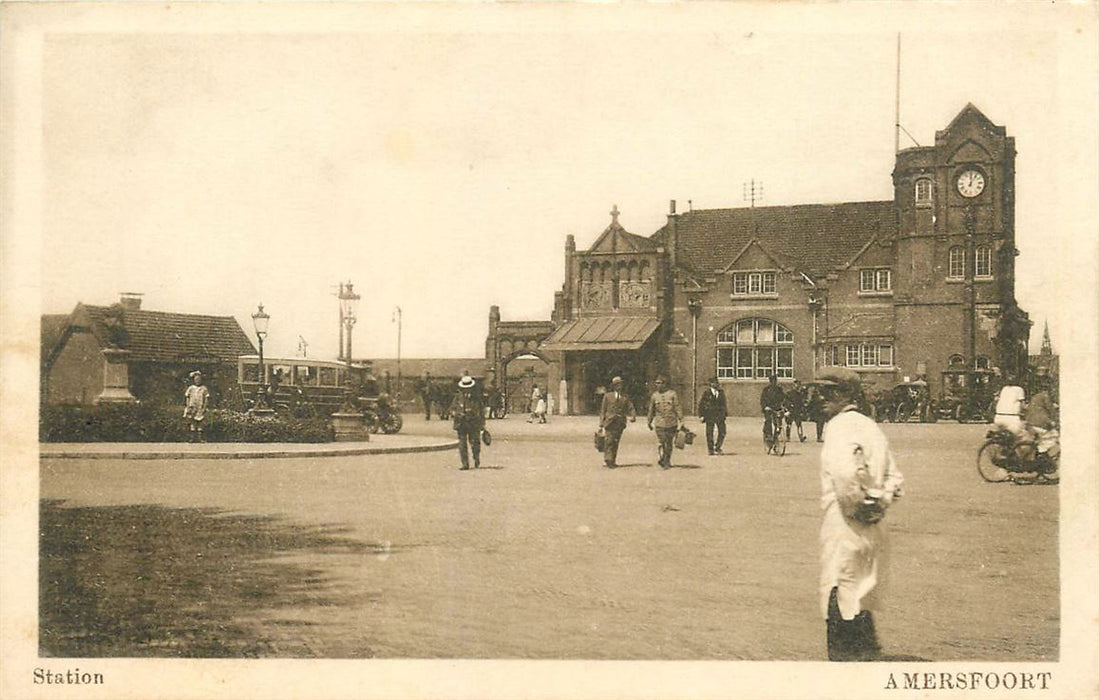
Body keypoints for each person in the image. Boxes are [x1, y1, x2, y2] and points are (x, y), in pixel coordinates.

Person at [815, 367, 905, 661]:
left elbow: (844, 476)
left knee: (839, 593)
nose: (819, 398)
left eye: (827, 392)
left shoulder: (839, 426)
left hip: (845, 523)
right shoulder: (870, 427)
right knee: (862, 595)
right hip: (874, 528)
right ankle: (867, 660)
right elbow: (895, 476)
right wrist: (878, 503)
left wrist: (858, 507)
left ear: (845, 395)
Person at [599, 376, 636, 468]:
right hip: (609, 421)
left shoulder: (625, 397)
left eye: (621, 384)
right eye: (617, 384)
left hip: (620, 422)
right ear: (614, 386)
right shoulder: (607, 396)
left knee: (615, 441)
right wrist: (601, 424)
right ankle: (608, 459)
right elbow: (603, 410)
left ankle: (613, 459)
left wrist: (633, 416)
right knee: (609, 441)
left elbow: (631, 407)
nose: (620, 386)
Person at [647, 376, 683, 469]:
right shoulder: (654, 396)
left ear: (664, 384)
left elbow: (677, 407)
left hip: (671, 422)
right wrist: (649, 421)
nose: (658, 385)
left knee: (669, 443)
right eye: (656, 383)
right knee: (662, 441)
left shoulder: (672, 394)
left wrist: (681, 420)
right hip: (659, 423)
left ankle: (666, 460)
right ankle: (663, 458)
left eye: (660, 383)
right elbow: (651, 410)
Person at [450, 375, 484, 470]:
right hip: (461, 423)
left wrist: (482, 424)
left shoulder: (476, 398)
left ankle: (476, 457)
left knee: (475, 443)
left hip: (473, 423)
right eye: (465, 388)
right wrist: (455, 413)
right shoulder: (458, 397)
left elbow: (481, 411)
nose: (467, 390)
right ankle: (465, 464)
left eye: (468, 388)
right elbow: (452, 408)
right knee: (462, 444)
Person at [697, 377, 728, 455]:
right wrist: (701, 415)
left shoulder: (721, 392)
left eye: (717, 383)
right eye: (714, 383)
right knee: (709, 432)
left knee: (722, 431)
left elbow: (724, 404)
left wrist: (724, 414)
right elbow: (701, 405)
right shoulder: (706, 393)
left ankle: (717, 447)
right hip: (709, 415)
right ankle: (710, 449)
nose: (716, 384)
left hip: (719, 416)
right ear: (710, 384)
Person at [183, 370, 210, 442]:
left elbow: (206, 398)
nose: (197, 381)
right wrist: (188, 406)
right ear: (194, 380)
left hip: (200, 407)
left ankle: (200, 438)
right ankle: (191, 438)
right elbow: (187, 397)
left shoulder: (204, 388)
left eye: (199, 379)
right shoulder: (191, 388)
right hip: (192, 407)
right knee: (192, 422)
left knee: (200, 422)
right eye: (196, 380)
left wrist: (204, 407)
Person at [760, 374, 786, 444]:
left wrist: (784, 407)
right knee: (768, 421)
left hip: (777, 409)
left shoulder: (779, 390)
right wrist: (765, 407)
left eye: (775, 381)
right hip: (769, 409)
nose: (774, 383)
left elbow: (784, 398)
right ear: (770, 382)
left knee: (778, 424)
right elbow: (763, 400)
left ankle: (775, 439)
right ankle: (768, 436)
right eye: (772, 381)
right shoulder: (766, 390)